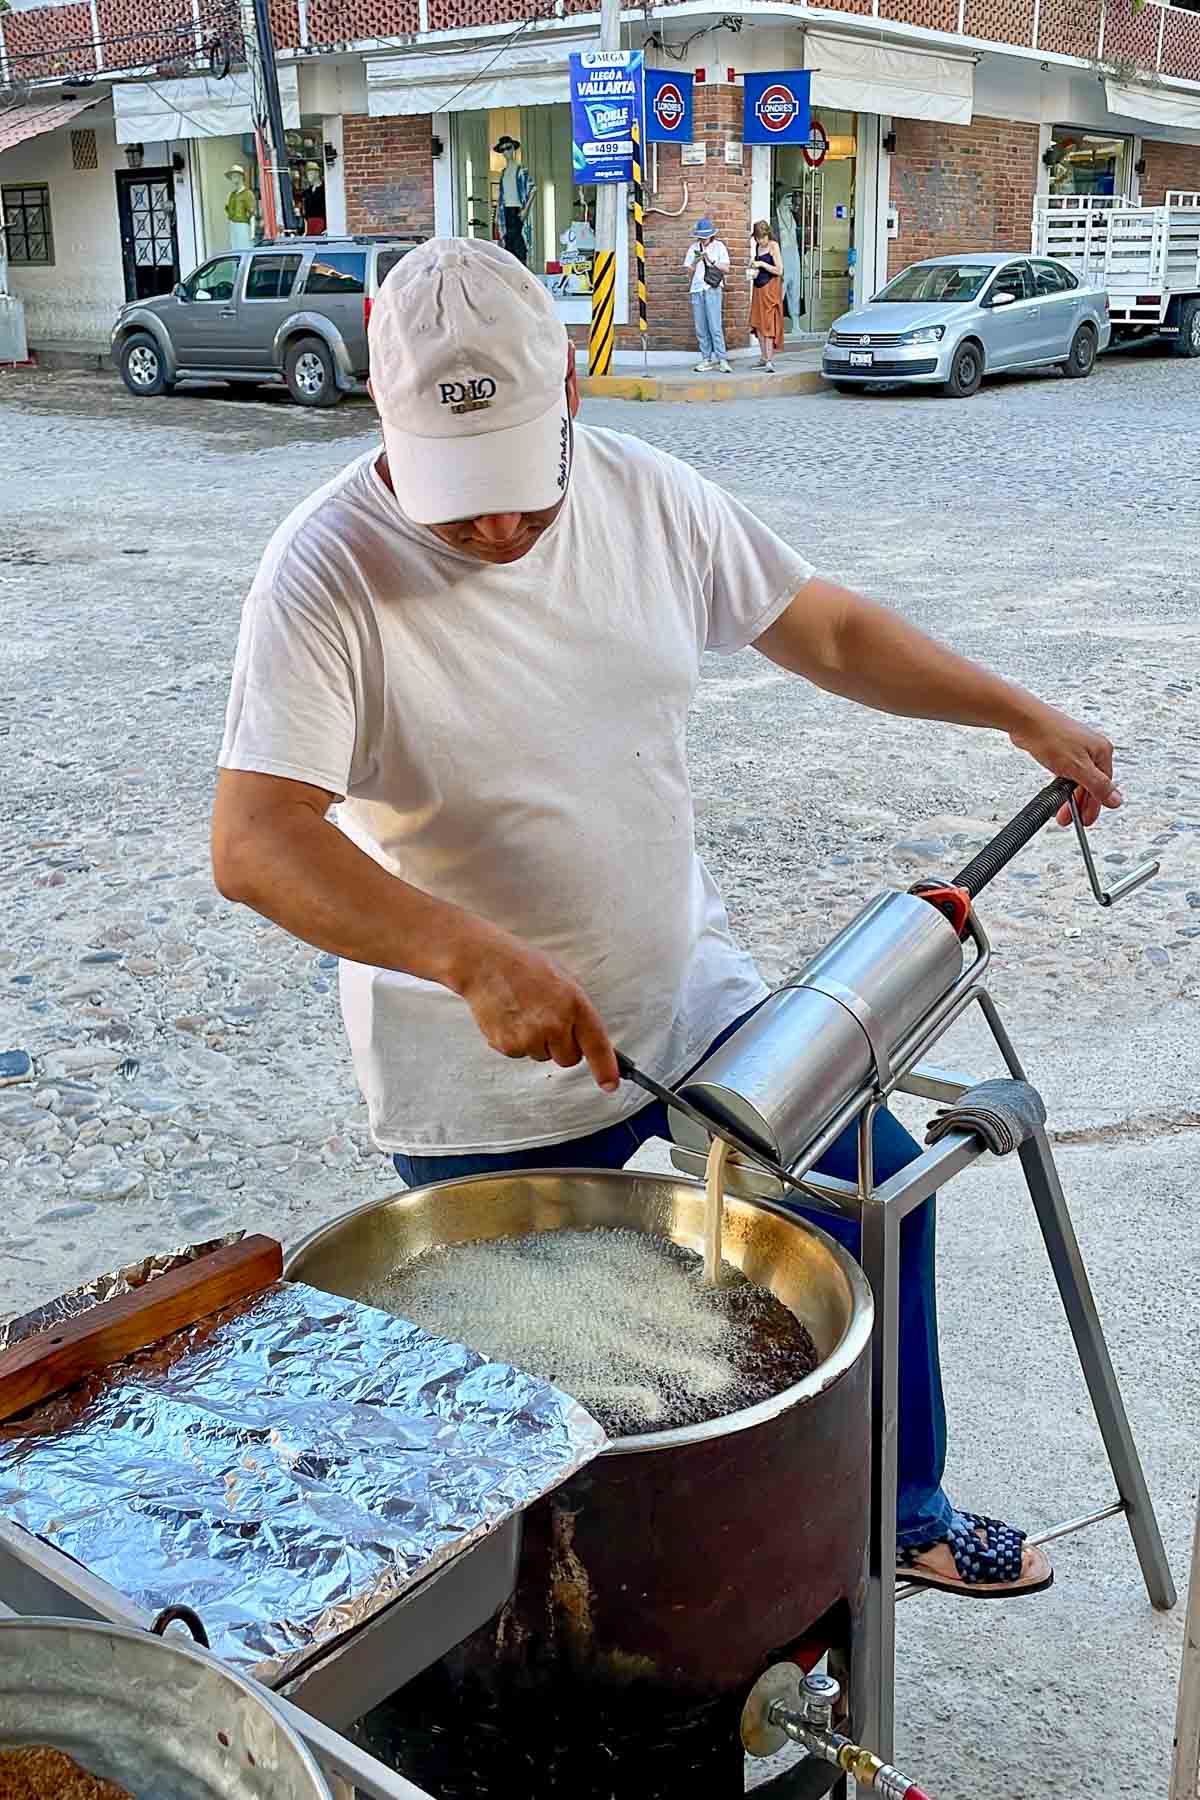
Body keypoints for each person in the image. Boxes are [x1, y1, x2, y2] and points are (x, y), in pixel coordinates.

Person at [213, 238, 1123, 1598]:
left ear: (570, 400)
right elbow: (256, 841)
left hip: (691, 1010)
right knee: (576, 1407)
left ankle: (898, 1513)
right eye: (458, 500)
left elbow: (823, 629)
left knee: (870, 1204)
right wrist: (461, 953)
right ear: (382, 414)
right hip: (478, 1082)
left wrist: (1017, 710)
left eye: (520, 491)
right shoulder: (324, 570)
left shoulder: (648, 497)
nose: (498, 534)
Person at [683, 216, 731, 373]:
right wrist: (696, 261)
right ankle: (706, 359)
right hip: (697, 289)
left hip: (713, 288)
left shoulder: (719, 246)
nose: (704, 239)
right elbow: (688, 273)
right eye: (701, 236)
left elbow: (726, 268)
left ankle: (722, 359)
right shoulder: (693, 248)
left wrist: (710, 260)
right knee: (701, 327)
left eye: (706, 236)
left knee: (715, 325)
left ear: (712, 234)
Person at [748, 218, 784, 373]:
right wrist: (753, 268)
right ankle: (763, 358)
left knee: (768, 324)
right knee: (759, 323)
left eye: (763, 237)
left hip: (770, 289)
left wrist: (761, 264)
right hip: (758, 288)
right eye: (757, 238)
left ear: (768, 235)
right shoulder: (757, 246)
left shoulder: (773, 245)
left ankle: (769, 360)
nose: (760, 241)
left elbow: (779, 270)